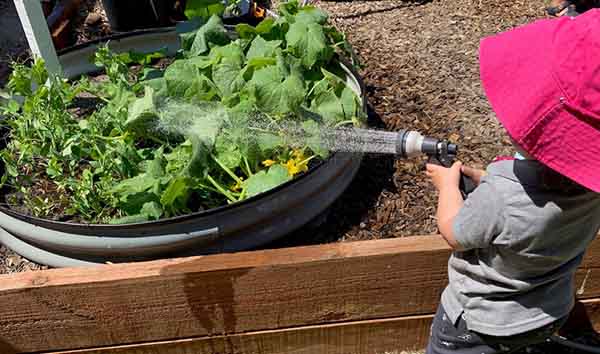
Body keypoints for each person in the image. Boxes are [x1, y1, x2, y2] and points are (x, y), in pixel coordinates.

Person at [424, 9, 600, 354]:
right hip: (547, 314)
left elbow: (454, 231)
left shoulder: (501, 196)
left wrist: (446, 185)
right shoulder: (593, 190)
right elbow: (538, 196)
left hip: (480, 323)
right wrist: (486, 178)